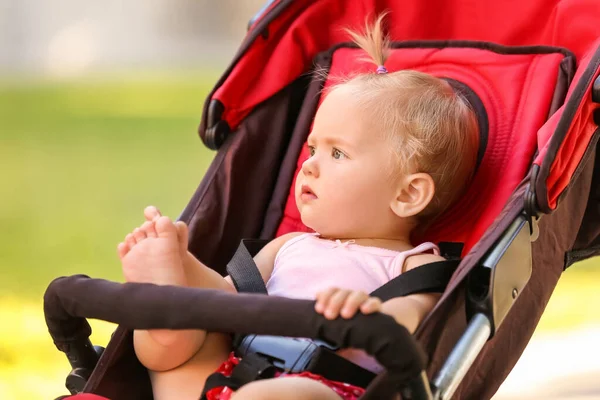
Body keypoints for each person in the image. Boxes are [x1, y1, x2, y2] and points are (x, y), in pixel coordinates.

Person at [117, 13, 479, 400]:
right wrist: (182, 265)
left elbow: (415, 319)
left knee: (296, 393)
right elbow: (225, 300)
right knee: (179, 350)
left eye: (337, 153)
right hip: (231, 375)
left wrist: (370, 314)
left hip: (326, 385)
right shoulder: (286, 246)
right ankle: (161, 294)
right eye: (311, 148)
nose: (308, 165)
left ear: (408, 195)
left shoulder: (412, 266)